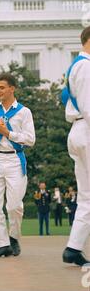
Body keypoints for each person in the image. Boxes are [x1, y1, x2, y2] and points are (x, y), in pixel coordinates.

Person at [0, 73, 36, 257]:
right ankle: (2, 245)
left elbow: (30, 139)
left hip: (15, 161)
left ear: (12, 88)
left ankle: (14, 237)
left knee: (14, 205)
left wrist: (7, 133)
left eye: (2, 87)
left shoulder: (24, 112)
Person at [61, 26, 90, 266]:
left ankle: (73, 247)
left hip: (79, 130)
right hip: (86, 130)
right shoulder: (87, 66)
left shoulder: (77, 66)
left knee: (87, 196)